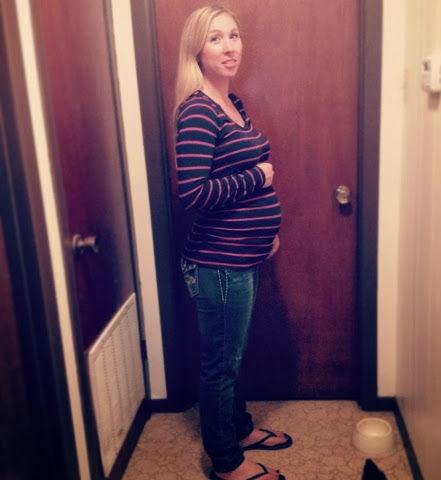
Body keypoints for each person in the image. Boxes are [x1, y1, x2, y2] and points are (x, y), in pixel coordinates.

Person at [174, 6, 291, 480]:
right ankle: (226, 462)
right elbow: (193, 193)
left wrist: (266, 231)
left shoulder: (232, 102)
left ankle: (239, 429)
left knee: (232, 356)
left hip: (240, 257)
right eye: (216, 38)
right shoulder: (197, 111)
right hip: (217, 265)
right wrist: (257, 177)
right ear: (197, 51)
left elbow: (234, 174)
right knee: (221, 365)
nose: (229, 47)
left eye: (234, 36)